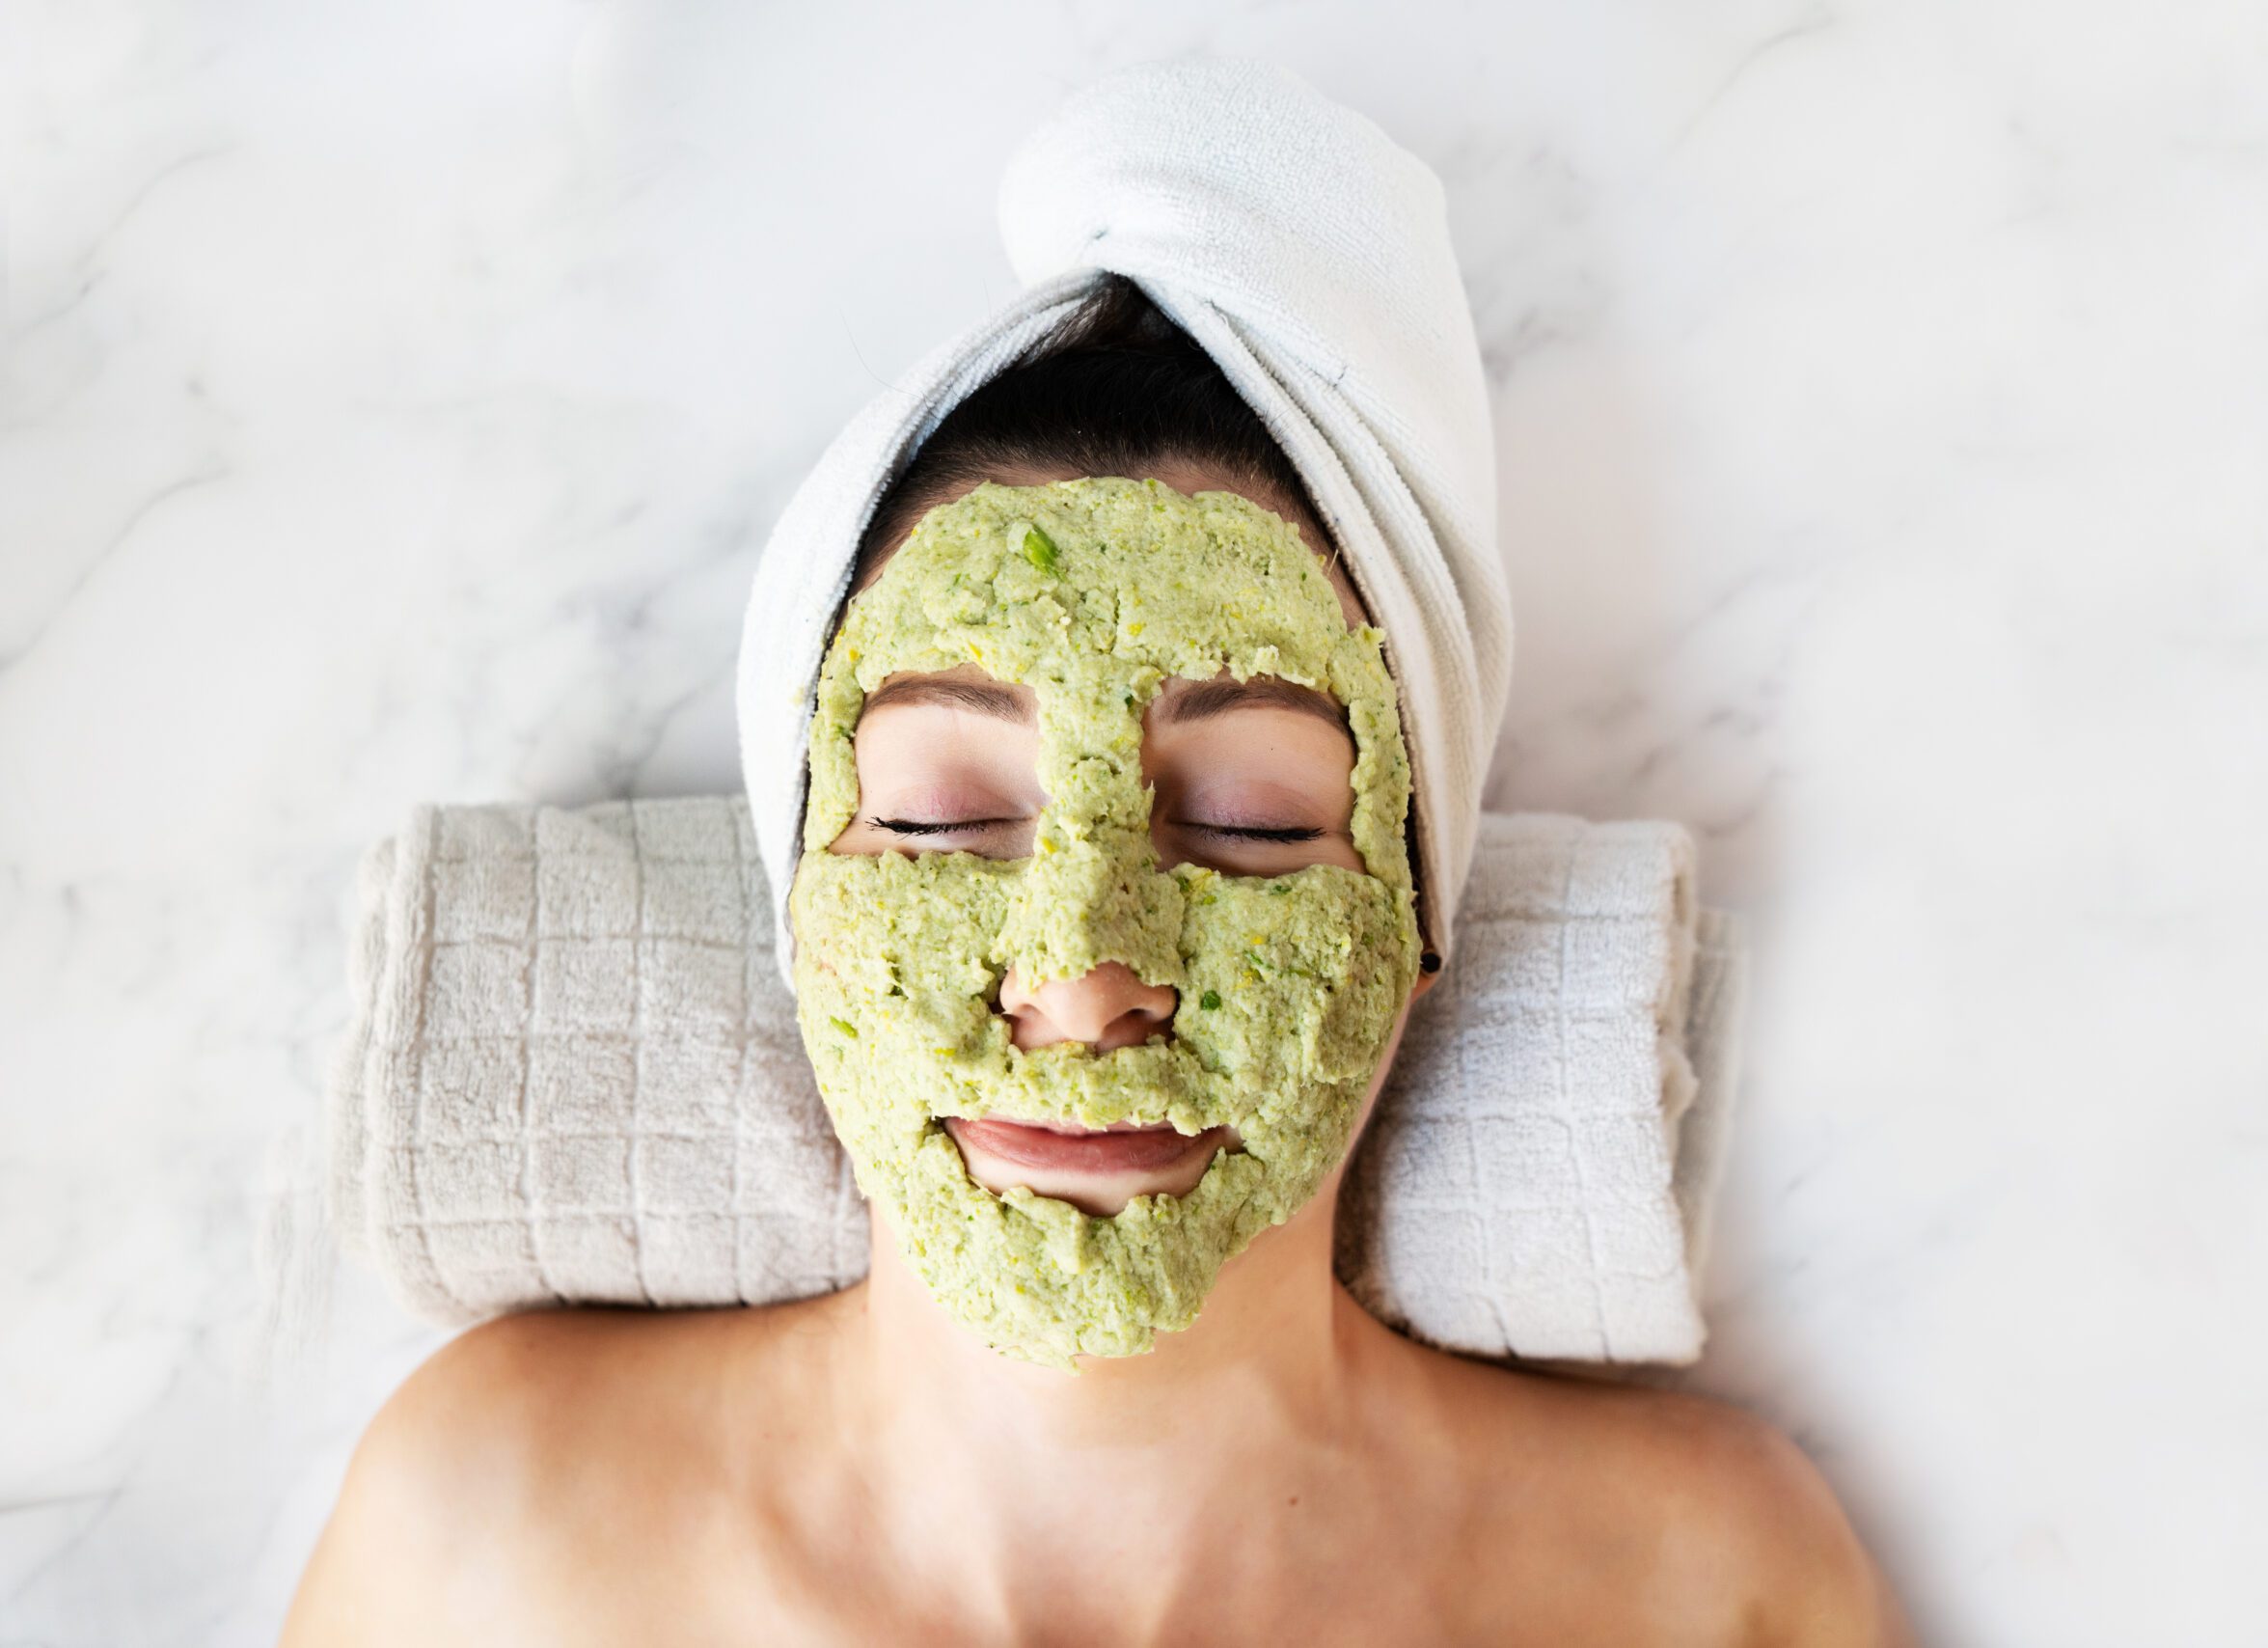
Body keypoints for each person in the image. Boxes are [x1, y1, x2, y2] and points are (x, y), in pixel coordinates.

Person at [283, 278, 1913, 1645]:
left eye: (1259, 829)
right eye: (932, 825)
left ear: (1419, 927)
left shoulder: (1705, 1590)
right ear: (799, 910)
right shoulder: (487, 1538)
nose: (1081, 982)